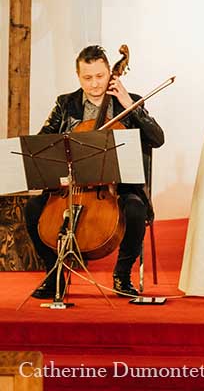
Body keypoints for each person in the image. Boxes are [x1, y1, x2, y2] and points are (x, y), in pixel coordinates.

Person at [24, 45, 164, 298]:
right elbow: (43, 142)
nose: (95, 84)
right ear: (78, 76)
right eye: (87, 78)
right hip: (71, 186)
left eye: (100, 76)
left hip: (117, 187)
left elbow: (157, 138)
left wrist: (128, 103)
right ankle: (54, 273)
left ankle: (122, 276)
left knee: (135, 209)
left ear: (111, 73)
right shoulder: (66, 104)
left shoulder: (129, 101)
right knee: (33, 209)